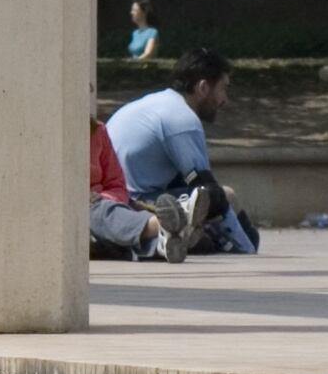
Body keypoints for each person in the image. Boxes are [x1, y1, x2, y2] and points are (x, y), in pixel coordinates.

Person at [106, 46, 246, 252]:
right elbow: (207, 192)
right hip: (135, 201)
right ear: (203, 88)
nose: (225, 99)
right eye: (223, 89)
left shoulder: (157, 103)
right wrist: (247, 246)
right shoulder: (183, 119)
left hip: (113, 200)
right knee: (225, 196)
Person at [88, 117, 194, 263]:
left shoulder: (97, 130)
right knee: (94, 211)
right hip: (79, 210)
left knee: (114, 215)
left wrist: (105, 197)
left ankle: (165, 241)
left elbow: (116, 183)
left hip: (107, 204)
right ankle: (166, 224)